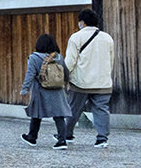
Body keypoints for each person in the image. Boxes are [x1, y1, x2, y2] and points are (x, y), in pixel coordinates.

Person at [63, 8, 114, 147]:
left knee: (73, 109)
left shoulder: (76, 37)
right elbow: (111, 60)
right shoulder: (107, 37)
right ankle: (102, 138)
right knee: (102, 110)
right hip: (103, 81)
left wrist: (65, 77)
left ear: (82, 22)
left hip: (81, 81)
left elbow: (70, 61)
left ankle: (67, 134)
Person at [17, 32, 72, 148]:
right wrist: (66, 83)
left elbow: (30, 74)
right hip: (57, 90)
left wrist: (24, 89)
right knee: (59, 115)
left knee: (36, 114)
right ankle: (62, 141)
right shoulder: (58, 57)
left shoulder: (34, 57)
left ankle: (32, 137)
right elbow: (66, 73)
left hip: (40, 90)